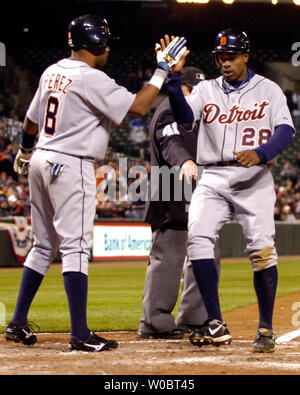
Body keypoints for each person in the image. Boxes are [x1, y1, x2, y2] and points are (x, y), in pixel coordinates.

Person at [4, 14, 188, 352]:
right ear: (97, 43)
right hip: (71, 163)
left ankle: (17, 322)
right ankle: (80, 334)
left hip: (41, 159)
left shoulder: (52, 72)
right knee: (75, 247)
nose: (108, 49)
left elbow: (31, 120)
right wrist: (161, 70)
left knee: (43, 245)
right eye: (105, 41)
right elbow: (137, 107)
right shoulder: (92, 78)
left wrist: (24, 151)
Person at [167, 28, 295, 353]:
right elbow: (184, 117)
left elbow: (284, 130)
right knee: (197, 239)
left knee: (262, 249)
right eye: (221, 56)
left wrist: (262, 153)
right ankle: (215, 321)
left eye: (232, 56)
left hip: (253, 175)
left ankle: (265, 326)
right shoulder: (205, 89)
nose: (225, 62)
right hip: (212, 173)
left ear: (246, 56)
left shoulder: (268, 89)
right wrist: (173, 79)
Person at [138, 67, 221, 339]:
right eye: (191, 90)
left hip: (197, 194)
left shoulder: (194, 113)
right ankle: (155, 320)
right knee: (169, 258)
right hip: (171, 194)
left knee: (207, 254)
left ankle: (194, 317)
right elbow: (169, 141)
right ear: (180, 88)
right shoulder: (170, 110)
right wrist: (183, 160)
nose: (197, 95)